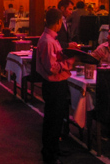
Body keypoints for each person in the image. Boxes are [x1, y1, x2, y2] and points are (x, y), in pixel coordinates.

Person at [36, 8, 76, 164]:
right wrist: (70, 61)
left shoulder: (51, 39)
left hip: (57, 84)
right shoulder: (47, 41)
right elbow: (51, 67)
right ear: (58, 22)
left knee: (57, 120)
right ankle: (49, 153)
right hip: (54, 85)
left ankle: (53, 148)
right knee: (52, 121)